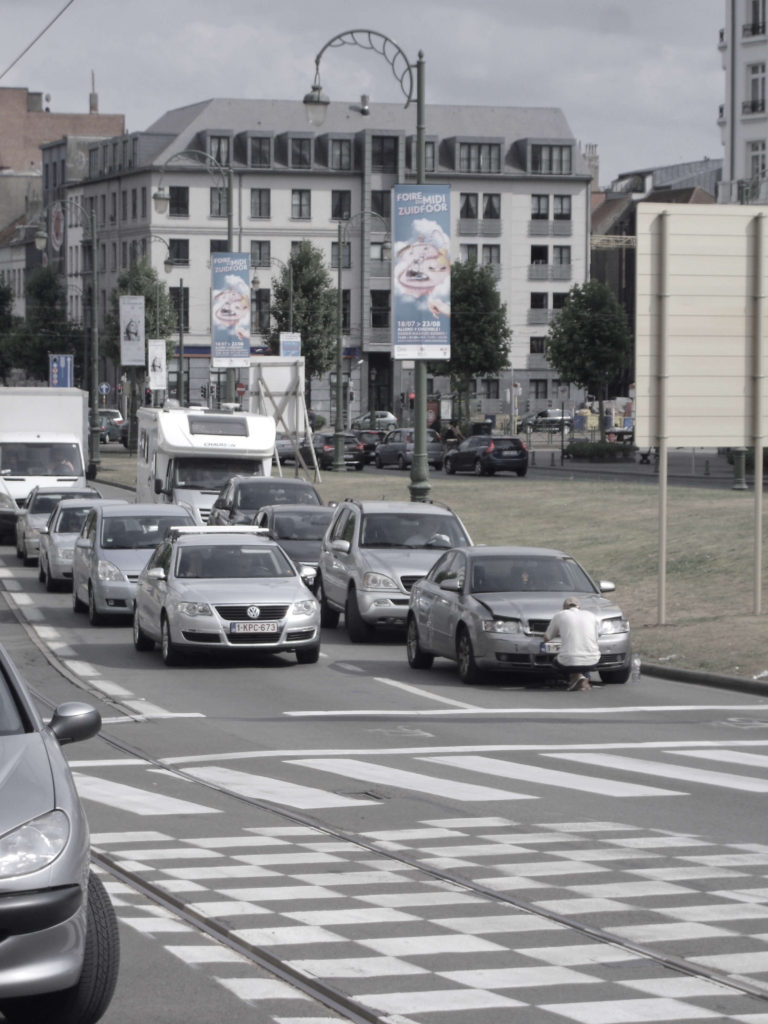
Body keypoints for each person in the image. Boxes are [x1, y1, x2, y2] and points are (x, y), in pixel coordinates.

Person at [545, 596, 600, 691]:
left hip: (569, 661)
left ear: (564, 608)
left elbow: (546, 638)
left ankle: (575, 678)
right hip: (594, 661)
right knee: (580, 657)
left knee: (556, 660)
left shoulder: (560, 615)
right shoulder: (591, 615)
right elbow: (596, 638)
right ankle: (584, 679)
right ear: (579, 607)